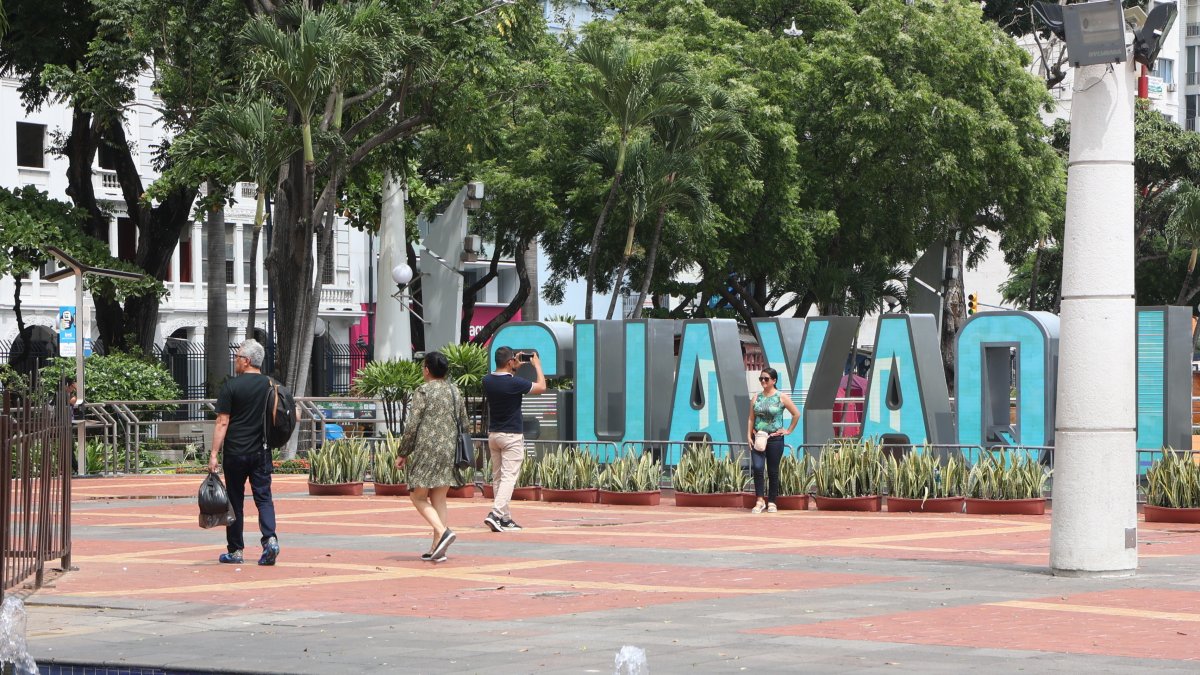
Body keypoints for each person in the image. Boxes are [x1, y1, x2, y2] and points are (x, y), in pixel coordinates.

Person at [207, 339, 280, 566]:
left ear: (246, 361)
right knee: (264, 498)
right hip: (261, 451)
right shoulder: (271, 385)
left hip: (236, 452)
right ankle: (270, 540)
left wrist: (213, 454)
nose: (235, 360)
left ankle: (236, 551)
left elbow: (222, 422)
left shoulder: (231, 386)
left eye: (237, 357)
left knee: (235, 500)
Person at [395, 351, 464, 562]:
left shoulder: (423, 391)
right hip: (449, 449)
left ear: (427, 370)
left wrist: (403, 452)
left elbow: (412, 425)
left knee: (417, 496)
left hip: (427, 450)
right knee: (439, 498)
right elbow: (464, 422)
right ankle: (437, 548)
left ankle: (442, 532)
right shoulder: (455, 391)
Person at [482, 346, 545, 532]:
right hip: (511, 436)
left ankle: (504, 519)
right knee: (509, 478)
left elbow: (505, 380)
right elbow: (541, 387)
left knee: (498, 478)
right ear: (510, 362)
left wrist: (514, 368)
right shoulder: (515, 383)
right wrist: (537, 365)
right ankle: (495, 513)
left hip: (494, 435)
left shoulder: (487, 380)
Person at [746, 367, 800, 514]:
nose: (763, 381)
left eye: (766, 379)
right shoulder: (756, 398)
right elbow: (751, 418)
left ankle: (772, 501)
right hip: (758, 438)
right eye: (761, 378)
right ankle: (759, 500)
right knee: (758, 468)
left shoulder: (781, 397)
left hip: (775, 439)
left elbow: (796, 414)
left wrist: (788, 430)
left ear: (774, 380)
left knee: (773, 471)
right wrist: (748, 436)